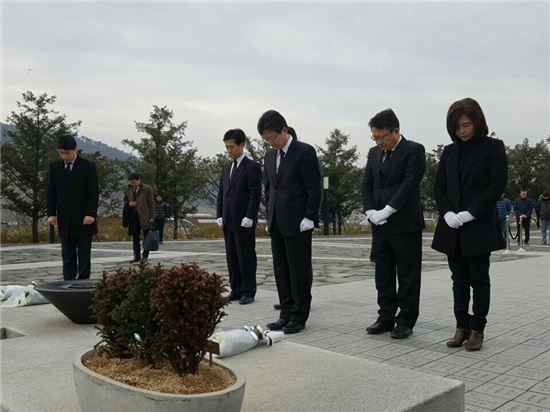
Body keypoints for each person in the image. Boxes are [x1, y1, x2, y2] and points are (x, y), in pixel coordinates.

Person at [432, 97, 507, 351]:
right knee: (458, 279)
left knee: (479, 278)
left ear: (477, 121)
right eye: (456, 127)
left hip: (477, 224)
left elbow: (496, 184)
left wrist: (471, 213)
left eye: (465, 125)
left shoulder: (493, 147)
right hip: (453, 227)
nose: (461, 131)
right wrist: (448, 213)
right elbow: (439, 187)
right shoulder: (449, 151)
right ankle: (461, 326)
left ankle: (477, 329)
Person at [362, 108, 426, 339]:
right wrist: (370, 210)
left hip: (404, 222)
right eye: (374, 137)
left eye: (382, 136)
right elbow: (368, 183)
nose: (378, 141)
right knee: (383, 272)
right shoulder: (373, 153)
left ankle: (406, 319)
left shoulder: (414, 150)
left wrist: (389, 209)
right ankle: (385, 316)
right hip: (379, 224)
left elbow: (409, 184)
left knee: (407, 274)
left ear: (396, 131)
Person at [259, 110, 321, 334]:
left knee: (299, 270)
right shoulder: (269, 156)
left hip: (298, 222)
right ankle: (285, 312)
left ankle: (299, 315)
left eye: (273, 137)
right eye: (266, 139)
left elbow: (314, 188)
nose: (271, 142)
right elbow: (269, 189)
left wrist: (309, 216)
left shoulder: (303, 152)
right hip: (277, 220)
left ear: (284, 130)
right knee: (281, 269)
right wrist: (269, 214)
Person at [216, 129, 262, 305]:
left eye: (232, 147)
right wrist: (219, 214)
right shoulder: (226, 167)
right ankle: (236, 289)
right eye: (226, 147)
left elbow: (254, 193)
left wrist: (250, 215)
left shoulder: (252, 167)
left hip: (244, 220)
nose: (229, 150)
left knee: (246, 256)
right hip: (228, 219)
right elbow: (222, 193)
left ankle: (248, 291)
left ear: (242, 145)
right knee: (232, 256)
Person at [47, 134, 99, 280]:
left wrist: (91, 213)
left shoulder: (88, 167)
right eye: (61, 153)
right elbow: (51, 191)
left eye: (67, 153)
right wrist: (51, 213)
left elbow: (93, 192)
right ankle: (68, 283)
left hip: (84, 218)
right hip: (65, 219)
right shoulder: (55, 167)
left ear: (75, 150)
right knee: (67, 255)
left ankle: (82, 284)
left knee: (83, 255)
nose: (64, 156)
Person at [124, 173, 154, 262]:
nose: (133, 184)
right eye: (132, 182)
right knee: (135, 237)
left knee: (147, 237)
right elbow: (125, 199)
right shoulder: (128, 189)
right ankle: (136, 257)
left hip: (145, 215)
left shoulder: (147, 188)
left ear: (139, 180)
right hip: (133, 215)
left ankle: (145, 255)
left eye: (135, 182)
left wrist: (152, 216)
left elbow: (151, 203)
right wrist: (129, 203)